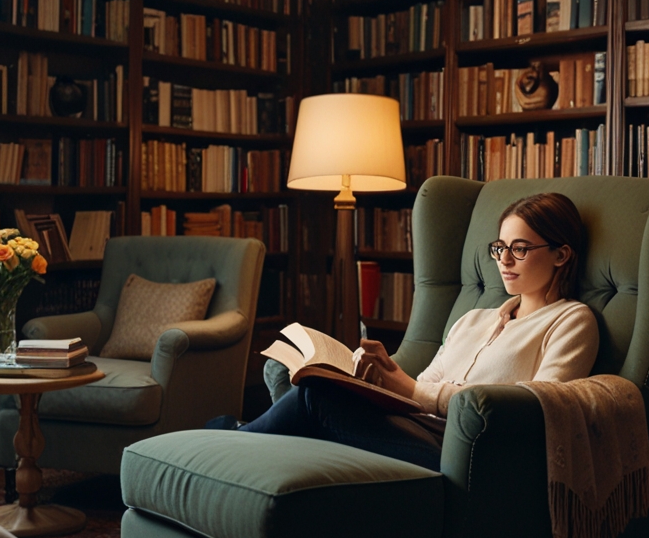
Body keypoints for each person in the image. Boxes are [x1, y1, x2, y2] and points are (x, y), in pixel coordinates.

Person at [210, 192, 600, 471]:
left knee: (315, 399)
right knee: (320, 385)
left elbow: (543, 408)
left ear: (561, 254)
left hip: (462, 452)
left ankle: (226, 444)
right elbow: (424, 386)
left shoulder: (571, 321)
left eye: (520, 249)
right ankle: (238, 445)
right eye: (500, 248)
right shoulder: (473, 320)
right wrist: (382, 382)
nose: (504, 261)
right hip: (415, 427)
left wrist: (409, 388)